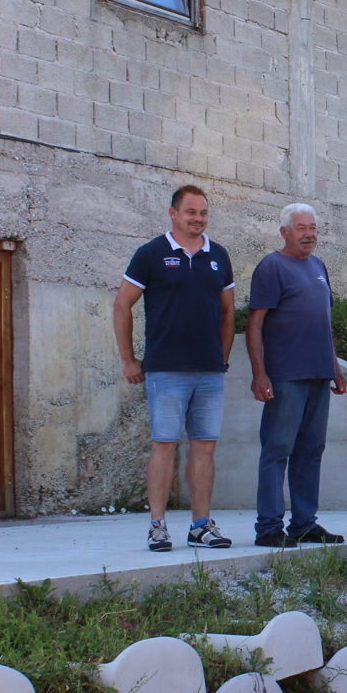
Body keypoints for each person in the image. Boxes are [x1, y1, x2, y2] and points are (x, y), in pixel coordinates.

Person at [114, 185, 236, 553]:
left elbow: (228, 312)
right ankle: (158, 527)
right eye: (190, 212)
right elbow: (122, 304)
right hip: (166, 370)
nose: (198, 219)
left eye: (203, 213)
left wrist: (221, 358)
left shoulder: (219, 256)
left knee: (205, 448)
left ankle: (201, 526)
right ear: (173, 213)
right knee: (164, 445)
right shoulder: (151, 254)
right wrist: (128, 359)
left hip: (209, 372)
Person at [246, 204, 347, 548]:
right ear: (285, 232)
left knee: (311, 450)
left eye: (313, 228)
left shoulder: (318, 266)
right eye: (301, 228)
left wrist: (335, 369)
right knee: (277, 449)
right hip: (286, 376)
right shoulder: (271, 267)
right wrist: (259, 373)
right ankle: (268, 527)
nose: (309, 234)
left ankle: (304, 524)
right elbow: (255, 323)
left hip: (319, 374)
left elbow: (322, 322)